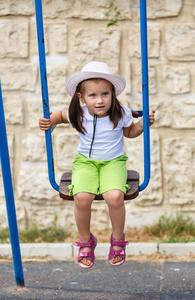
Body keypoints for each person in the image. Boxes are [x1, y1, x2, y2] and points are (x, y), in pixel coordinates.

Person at [39, 61, 155, 269]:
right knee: (82, 197)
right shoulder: (78, 114)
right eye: (93, 95)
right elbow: (58, 116)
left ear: (113, 94)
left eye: (105, 94)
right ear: (81, 98)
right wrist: (48, 121)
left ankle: (117, 241)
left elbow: (129, 133)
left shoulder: (120, 113)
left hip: (113, 161)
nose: (100, 101)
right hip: (86, 162)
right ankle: (86, 242)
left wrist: (141, 125)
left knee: (115, 196)